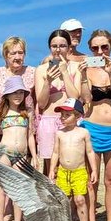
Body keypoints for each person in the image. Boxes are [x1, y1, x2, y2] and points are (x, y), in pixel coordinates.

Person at [77, 29, 111, 221]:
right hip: (92, 128)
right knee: (92, 180)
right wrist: (83, 76)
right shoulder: (87, 70)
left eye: (104, 47)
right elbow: (86, 99)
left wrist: (110, 73)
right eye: (95, 48)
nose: (100, 52)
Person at [0, 76, 37, 221]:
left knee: (19, 190)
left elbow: (30, 136)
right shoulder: (1, 112)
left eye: (21, 92)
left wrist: (34, 156)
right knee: (2, 189)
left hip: (21, 155)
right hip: (4, 153)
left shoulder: (27, 112)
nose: (18, 95)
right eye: (14, 92)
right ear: (7, 95)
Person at [34, 30, 79, 177]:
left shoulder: (75, 67)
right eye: (54, 46)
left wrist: (65, 73)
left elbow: (75, 98)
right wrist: (48, 81)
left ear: (69, 47)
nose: (58, 50)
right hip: (48, 121)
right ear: (49, 47)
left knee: (71, 165)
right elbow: (41, 103)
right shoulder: (41, 70)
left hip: (70, 122)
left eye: (62, 46)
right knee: (51, 169)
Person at [50, 98, 97, 221]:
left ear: (77, 116)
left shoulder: (83, 133)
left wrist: (94, 170)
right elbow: (55, 152)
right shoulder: (59, 133)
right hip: (63, 172)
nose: (63, 118)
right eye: (62, 115)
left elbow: (90, 152)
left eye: (67, 115)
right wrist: (52, 169)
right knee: (63, 200)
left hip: (79, 172)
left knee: (80, 199)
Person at [0, 36, 36, 142]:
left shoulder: (33, 73)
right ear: (5, 55)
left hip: (24, 129)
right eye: (13, 53)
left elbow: (37, 100)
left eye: (20, 53)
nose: (17, 57)